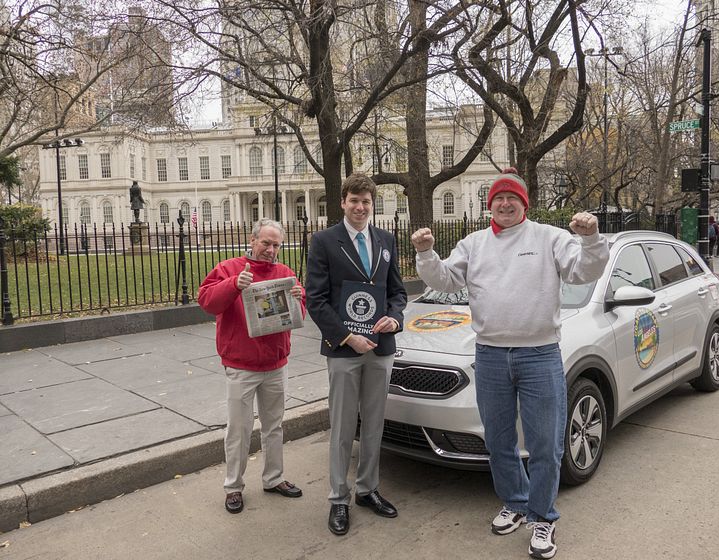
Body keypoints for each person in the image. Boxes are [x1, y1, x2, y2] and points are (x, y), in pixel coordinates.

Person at [411, 168, 609, 560]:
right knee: (499, 441)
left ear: (524, 204)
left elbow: (583, 269)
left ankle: (542, 517)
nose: (505, 204)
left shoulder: (549, 237)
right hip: (489, 355)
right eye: (499, 199)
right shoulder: (474, 243)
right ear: (491, 205)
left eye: (513, 199)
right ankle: (516, 503)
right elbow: (447, 280)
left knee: (544, 444)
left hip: (539, 355)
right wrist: (425, 252)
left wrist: (590, 238)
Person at [305, 173, 407, 536]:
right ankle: (338, 498)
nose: (360, 207)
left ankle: (367, 490)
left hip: (381, 347)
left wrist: (394, 320)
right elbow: (315, 300)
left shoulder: (386, 240)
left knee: (375, 424)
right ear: (343, 202)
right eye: (354, 201)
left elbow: (397, 292)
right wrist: (348, 337)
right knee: (343, 427)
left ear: (372, 204)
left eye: (366, 201)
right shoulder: (323, 241)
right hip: (345, 350)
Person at [198, 218, 306, 514]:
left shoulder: (284, 273)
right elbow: (206, 301)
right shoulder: (229, 268)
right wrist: (234, 284)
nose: (271, 250)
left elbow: (299, 315)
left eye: (276, 245)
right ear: (252, 240)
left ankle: (274, 478)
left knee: (274, 426)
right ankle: (234, 486)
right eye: (266, 243)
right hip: (242, 365)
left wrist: (299, 298)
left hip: (275, 363)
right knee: (239, 429)